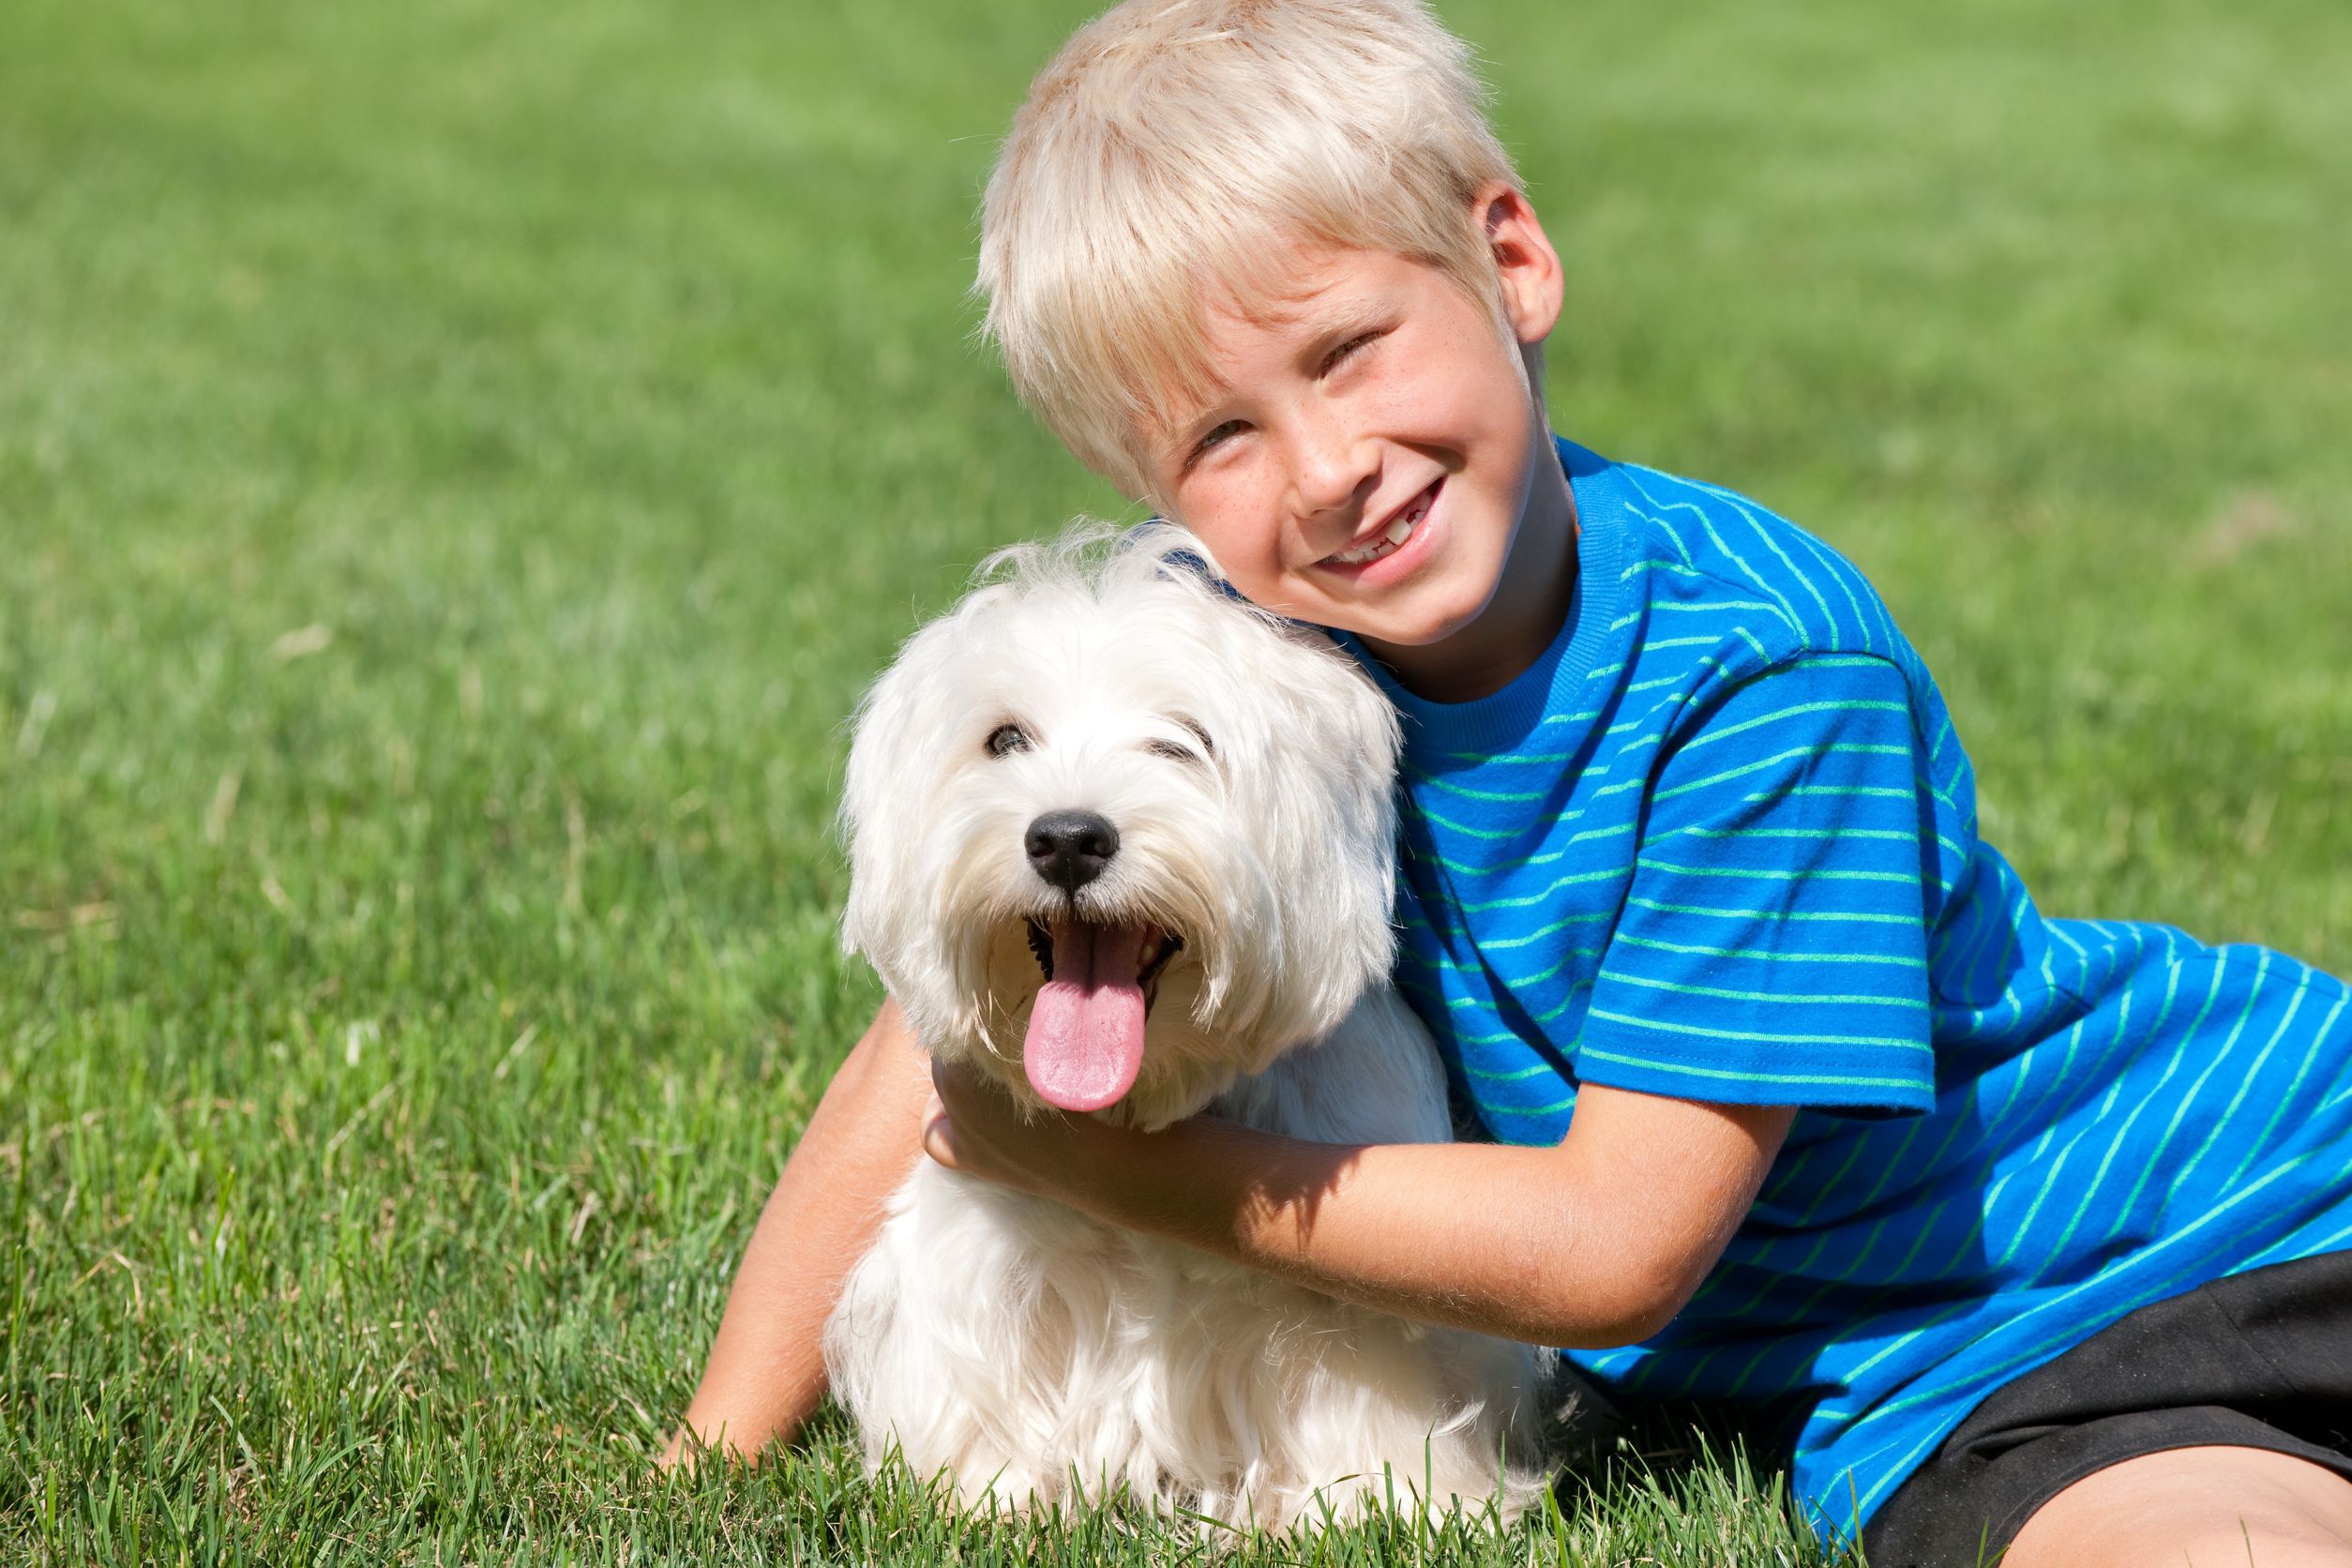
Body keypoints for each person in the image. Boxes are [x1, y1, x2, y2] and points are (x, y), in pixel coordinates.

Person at [668, 2, 2352, 1560]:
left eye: (1346, 352)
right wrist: (708, 1458)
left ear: (1512, 260)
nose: (1328, 472)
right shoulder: (1244, 651)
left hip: (2228, 1218)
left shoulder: (1758, 676)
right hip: (1934, 1389)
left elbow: (1617, 1248)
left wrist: (1115, 1173)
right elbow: (952, 1033)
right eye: (1221, 439)